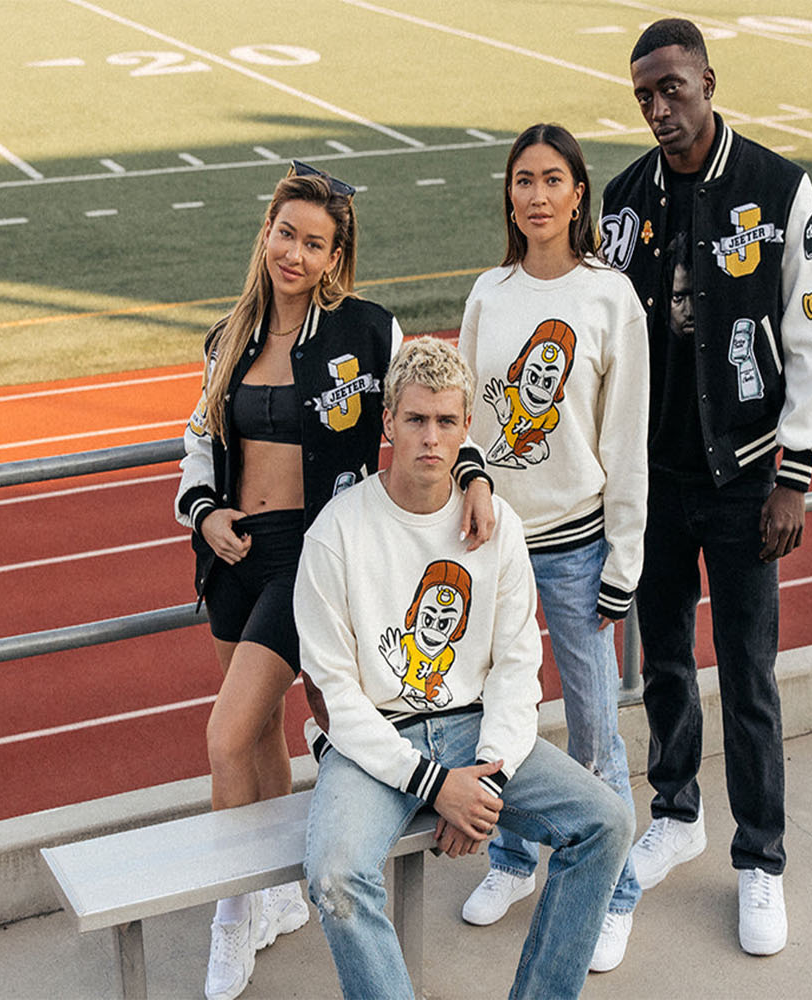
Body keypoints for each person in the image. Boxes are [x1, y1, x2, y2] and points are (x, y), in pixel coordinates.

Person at [174, 163, 494, 1000]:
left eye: (314, 243)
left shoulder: (366, 329)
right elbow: (199, 444)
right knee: (257, 737)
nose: (295, 253)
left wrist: (473, 475)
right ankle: (278, 897)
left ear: (334, 255)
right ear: (267, 234)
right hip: (233, 558)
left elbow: (434, 396)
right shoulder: (228, 338)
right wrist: (204, 512)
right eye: (286, 233)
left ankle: (232, 913)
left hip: (311, 559)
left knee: (223, 733)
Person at [597, 19, 812, 957]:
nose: (661, 109)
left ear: (708, 79)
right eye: (645, 97)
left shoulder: (779, 189)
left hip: (747, 480)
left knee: (746, 671)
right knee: (662, 658)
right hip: (654, 480)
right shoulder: (621, 203)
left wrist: (795, 477)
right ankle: (677, 807)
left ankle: (762, 858)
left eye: (673, 88)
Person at [297, 336, 633, 1000]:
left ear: (466, 427)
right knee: (336, 875)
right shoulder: (336, 533)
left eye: (446, 421)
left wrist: (485, 778)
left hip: (473, 728)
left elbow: (517, 666)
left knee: (609, 823)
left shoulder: (497, 527)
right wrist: (434, 784)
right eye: (416, 419)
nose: (431, 436)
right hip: (374, 744)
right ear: (388, 421)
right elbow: (334, 698)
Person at [454, 123, 649, 972]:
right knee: (499, 717)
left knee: (595, 729)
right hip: (497, 548)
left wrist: (624, 561)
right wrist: (470, 485)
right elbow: (461, 418)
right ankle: (510, 858)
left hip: (576, 550)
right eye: (522, 180)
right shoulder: (488, 293)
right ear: (510, 194)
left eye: (553, 180)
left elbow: (628, 437)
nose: (536, 195)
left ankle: (615, 891)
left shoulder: (611, 298)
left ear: (580, 194)